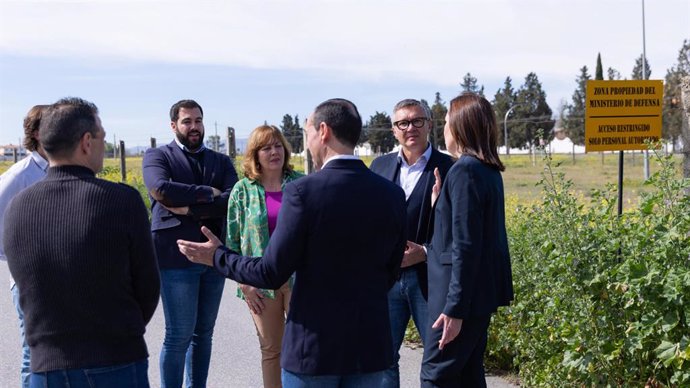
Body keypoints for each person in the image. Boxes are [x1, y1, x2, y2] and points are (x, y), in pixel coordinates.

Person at [177, 98, 408, 388]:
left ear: (323, 131)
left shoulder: (301, 191)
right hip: (371, 349)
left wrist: (217, 257)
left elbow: (271, 272)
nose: (307, 138)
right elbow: (390, 270)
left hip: (315, 351)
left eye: (308, 130)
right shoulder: (391, 194)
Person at [3, 97, 160, 388]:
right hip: (115, 359)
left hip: (46, 368)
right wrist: (124, 331)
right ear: (87, 141)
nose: (103, 144)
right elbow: (148, 285)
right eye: (102, 136)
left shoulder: (17, 207)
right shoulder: (121, 200)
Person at [419, 93, 514, 387]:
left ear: (459, 127)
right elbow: (467, 234)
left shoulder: (465, 171)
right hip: (475, 297)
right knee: (468, 375)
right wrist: (440, 204)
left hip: (458, 299)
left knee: (435, 376)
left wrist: (455, 309)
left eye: (446, 122)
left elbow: (466, 245)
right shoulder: (485, 170)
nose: (444, 129)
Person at [142, 99, 238, 388]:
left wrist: (189, 208)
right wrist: (209, 193)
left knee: (203, 334)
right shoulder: (157, 157)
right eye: (187, 121)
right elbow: (161, 189)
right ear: (174, 125)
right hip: (176, 258)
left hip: (214, 258)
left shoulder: (221, 161)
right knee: (179, 335)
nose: (194, 127)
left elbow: (233, 198)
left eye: (198, 120)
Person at [370, 98, 454, 388]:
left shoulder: (449, 167)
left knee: (438, 360)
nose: (411, 128)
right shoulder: (378, 167)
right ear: (393, 130)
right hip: (387, 280)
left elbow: (458, 230)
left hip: (429, 281)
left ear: (430, 125)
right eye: (403, 123)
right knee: (382, 360)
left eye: (417, 121)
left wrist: (426, 252)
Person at [227, 125, 303, 388]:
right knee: (272, 350)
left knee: (302, 348)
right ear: (255, 155)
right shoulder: (242, 191)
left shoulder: (301, 183)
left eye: (278, 145)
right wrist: (244, 284)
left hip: (300, 280)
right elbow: (232, 243)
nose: (274, 152)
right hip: (259, 283)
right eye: (266, 147)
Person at [0, 104, 49, 388]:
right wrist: (25, 262)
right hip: (30, 282)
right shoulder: (19, 176)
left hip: (62, 279)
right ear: (37, 133)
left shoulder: (60, 167)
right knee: (34, 357)